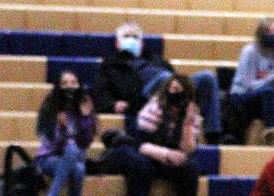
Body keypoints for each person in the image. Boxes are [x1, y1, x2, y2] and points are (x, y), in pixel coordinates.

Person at [92, 19, 222, 144]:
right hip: (142, 98)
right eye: (126, 36)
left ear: (142, 43)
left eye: (135, 37)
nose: (131, 39)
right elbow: (99, 92)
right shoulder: (110, 64)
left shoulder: (156, 60)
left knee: (206, 77)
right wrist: (112, 105)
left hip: (170, 90)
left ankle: (213, 136)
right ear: (117, 43)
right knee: (165, 78)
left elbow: (176, 80)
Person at [99, 73, 202, 196]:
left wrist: (187, 123)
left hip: (163, 156)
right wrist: (167, 154)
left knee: (190, 168)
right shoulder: (154, 107)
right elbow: (139, 143)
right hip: (138, 149)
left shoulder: (191, 115)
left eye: (182, 91)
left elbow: (188, 150)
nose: (178, 94)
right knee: (141, 165)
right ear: (167, 90)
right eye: (175, 89)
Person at [35, 69, 97, 196]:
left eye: (73, 83)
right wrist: (61, 128)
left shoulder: (85, 107)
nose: (69, 86)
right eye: (65, 83)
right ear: (58, 87)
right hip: (49, 158)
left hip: (74, 158)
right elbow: (50, 141)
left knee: (79, 168)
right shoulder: (51, 107)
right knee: (72, 152)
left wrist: (84, 118)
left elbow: (86, 142)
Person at [229, 18, 274, 145]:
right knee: (268, 92)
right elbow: (247, 85)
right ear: (261, 33)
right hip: (242, 96)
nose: (273, 35)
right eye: (269, 32)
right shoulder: (250, 51)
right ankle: (271, 134)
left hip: (268, 97)